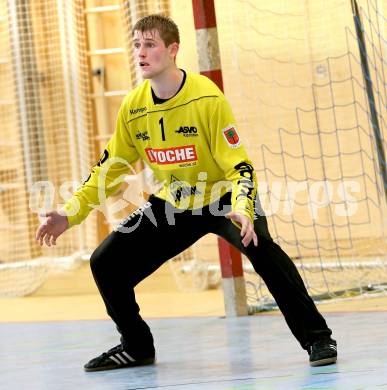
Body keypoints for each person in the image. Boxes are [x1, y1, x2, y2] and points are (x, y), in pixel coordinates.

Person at [35, 14, 337, 371]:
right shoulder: (134, 107)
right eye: (136, 45)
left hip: (225, 198)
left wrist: (243, 206)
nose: (140, 53)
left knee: (263, 250)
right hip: (176, 203)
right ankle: (136, 346)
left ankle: (317, 338)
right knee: (106, 263)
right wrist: (70, 213)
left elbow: (238, 165)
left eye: (150, 45)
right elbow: (109, 168)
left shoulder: (208, 99)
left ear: (172, 49)